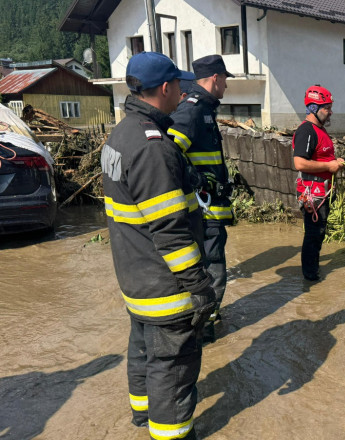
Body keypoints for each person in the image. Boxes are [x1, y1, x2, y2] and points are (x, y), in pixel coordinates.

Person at [101, 51, 214, 439]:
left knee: (143, 351)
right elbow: (171, 231)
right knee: (172, 367)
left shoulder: (121, 133)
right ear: (165, 88)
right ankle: (171, 433)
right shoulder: (153, 147)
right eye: (179, 84)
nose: (183, 92)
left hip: (136, 279)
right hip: (165, 286)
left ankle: (142, 416)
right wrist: (200, 287)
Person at [168, 55, 234, 342]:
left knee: (212, 268)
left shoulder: (205, 109)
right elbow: (169, 154)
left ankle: (206, 324)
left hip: (210, 210)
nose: (226, 86)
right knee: (213, 270)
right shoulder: (193, 111)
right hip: (204, 211)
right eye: (225, 80)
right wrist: (197, 181)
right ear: (215, 78)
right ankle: (204, 331)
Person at [292, 85, 345, 281]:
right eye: (327, 108)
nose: (330, 112)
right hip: (312, 193)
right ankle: (310, 276)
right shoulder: (306, 131)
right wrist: (329, 166)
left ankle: (312, 271)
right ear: (314, 108)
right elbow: (300, 162)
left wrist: (334, 162)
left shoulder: (319, 130)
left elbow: (322, 158)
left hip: (322, 191)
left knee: (319, 233)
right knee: (314, 234)